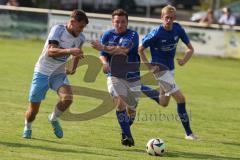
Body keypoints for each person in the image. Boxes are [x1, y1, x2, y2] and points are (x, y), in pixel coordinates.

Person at [22, 10, 89, 139]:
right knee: (33, 111)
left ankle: (53, 118)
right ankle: (28, 126)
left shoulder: (81, 38)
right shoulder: (58, 30)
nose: (82, 30)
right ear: (72, 22)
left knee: (68, 98)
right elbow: (51, 51)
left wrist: (73, 68)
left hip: (58, 73)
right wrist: (70, 50)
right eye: (80, 26)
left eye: (84, 27)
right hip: (42, 71)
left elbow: (77, 53)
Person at [139, 5, 197, 140]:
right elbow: (140, 49)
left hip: (170, 70)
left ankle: (136, 85)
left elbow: (190, 49)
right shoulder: (156, 33)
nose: (169, 20)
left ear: (175, 18)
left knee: (163, 102)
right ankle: (189, 134)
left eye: (171, 18)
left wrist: (184, 60)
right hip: (160, 70)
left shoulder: (178, 29)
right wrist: (149, 66)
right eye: (166, 18)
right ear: (161, 18)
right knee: (181, 99)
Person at [91, 9, 140, 147]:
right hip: (115, 75)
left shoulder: (133, 35)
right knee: (120, 102)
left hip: (133, 76)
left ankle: (125, 129)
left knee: (131, 108)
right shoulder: (107, 35)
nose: (120, 24)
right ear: (113, 22)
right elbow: (102, 54)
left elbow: (122, 50)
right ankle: (128, 136)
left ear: (127, 22)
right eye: (117, 21)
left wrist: (102, 46)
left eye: (123, 22)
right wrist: (104, 63)